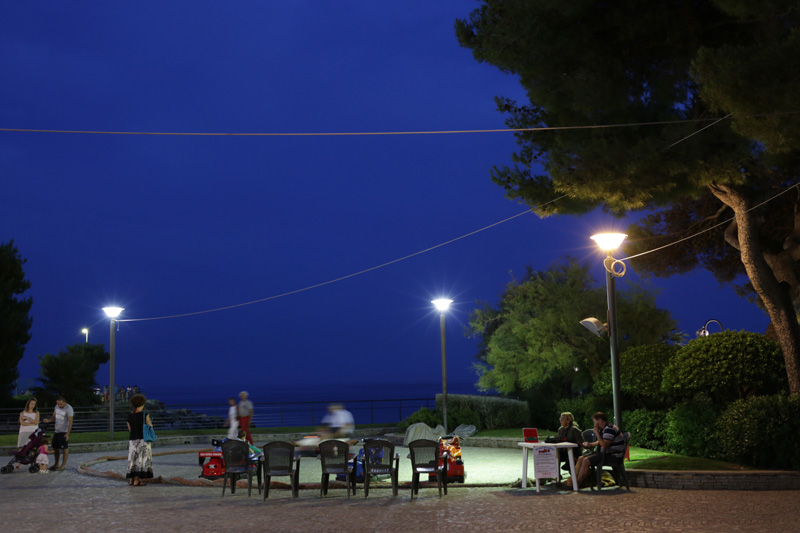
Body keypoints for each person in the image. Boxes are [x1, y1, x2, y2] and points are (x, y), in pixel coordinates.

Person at [561, 411, 625, 489]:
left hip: (613, 455)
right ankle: (571, 481)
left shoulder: (610, 429)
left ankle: (577, 483)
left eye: (595, 422)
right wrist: (591, 444)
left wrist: (596, 433)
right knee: (581, 458)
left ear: (600, 420)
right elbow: (601, 441)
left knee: (586, 460)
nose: (594, 424)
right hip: (605, 453)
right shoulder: (604, 428)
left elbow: (604, 445)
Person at [126, 393, 154, 486]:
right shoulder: (144, 415)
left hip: (132, 440)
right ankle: (137, 480)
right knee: (140, 460)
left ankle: (131, 479)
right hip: (143, 440)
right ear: (142, 404)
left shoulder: (129, 416)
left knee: (133, 459)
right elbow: (150, 426)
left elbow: (130, 429)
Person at [43, 396, 73, 471]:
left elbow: (70, 421)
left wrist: (68, 433)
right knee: (55, 447)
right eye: (58, 404)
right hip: (57, 430)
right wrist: (49, 420)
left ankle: (63, 465)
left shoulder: (69, 408)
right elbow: (54, 416)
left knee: (64, 448)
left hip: (64, 431)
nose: (59, 406)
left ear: (64, 402)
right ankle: (56, 464)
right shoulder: (56, 406)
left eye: (60, 404)